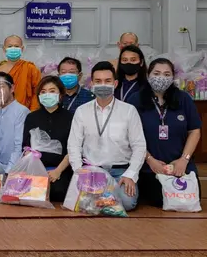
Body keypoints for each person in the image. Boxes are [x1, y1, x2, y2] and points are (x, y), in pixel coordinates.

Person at [67, 61, 146, 211]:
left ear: (115, 83)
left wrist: (131, 174)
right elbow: (74, 145)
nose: (103, 85)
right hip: (92, 171)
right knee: (82, 203)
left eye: (107, 81)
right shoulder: (82, 111)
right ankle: (103, 199)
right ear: (91, 84)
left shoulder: (129, 111)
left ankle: (101, 199)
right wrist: (79, 171)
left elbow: (139, 146)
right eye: (98, 81)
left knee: (127, 203)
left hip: (120, 171)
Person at [127, 58, 201, 207]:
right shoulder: (136, 99)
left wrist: (184, 159)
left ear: (173, 77)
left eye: (167, 74)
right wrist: (150, 159)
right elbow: (129, 136)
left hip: (181, 165)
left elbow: (194, 131)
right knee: (159, 199)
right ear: (148, 75)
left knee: (188, 199)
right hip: (149, 167)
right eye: (156, 73)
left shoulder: (184, 99)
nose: (161, 77)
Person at [22, 76, 74, 202]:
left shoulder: (71, 117)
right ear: (39, 96)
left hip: (61, 169)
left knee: (57, 191)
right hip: (36, 168)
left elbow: (73, 149)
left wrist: (57, 171)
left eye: (52, 91)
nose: (47, 95)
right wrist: (37, 170)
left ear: (60, 95)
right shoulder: (31, 117)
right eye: (43, 92)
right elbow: (26, 147)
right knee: (27, 191)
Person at [0, 72, 29, 173]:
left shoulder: (22, 112)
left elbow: (19, 147)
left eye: (1, 87)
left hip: (16, 168)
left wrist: (8, 172)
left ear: (12, 88)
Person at [0, 35, 41, 111]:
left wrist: (32, 113)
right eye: (10, 46)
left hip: (26, 111)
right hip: (4, 112)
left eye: (16, 46)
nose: (13, 49)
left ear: (22, 49)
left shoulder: (30, 68)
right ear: (4, 49)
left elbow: (37, 92)